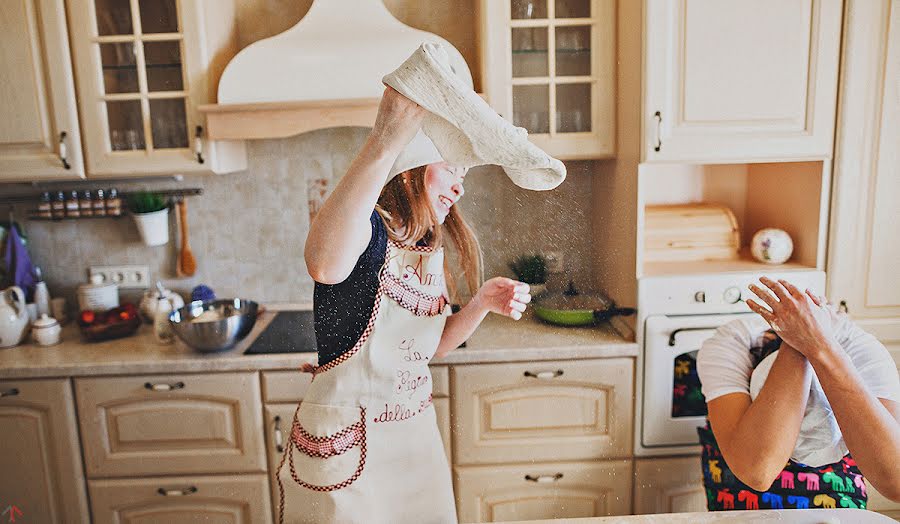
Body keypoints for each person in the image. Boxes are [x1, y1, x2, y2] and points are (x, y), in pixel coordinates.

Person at [275, 87, 532, 523]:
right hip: (348, 446)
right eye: (451, 169)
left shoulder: (425, 248)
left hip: (413, 437)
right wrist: (386, 139)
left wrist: (483, 301)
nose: (459, 187)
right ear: (411, 170)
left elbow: (424, 351)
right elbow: (323, 263)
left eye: (463, 176)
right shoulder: (366, 231)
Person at [696, 276, 900, 511]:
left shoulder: (858, 346)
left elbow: (894, 483)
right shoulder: (734, 341)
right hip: (741, 500)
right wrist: (798, 341)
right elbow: (758, 472)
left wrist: (820, 346)